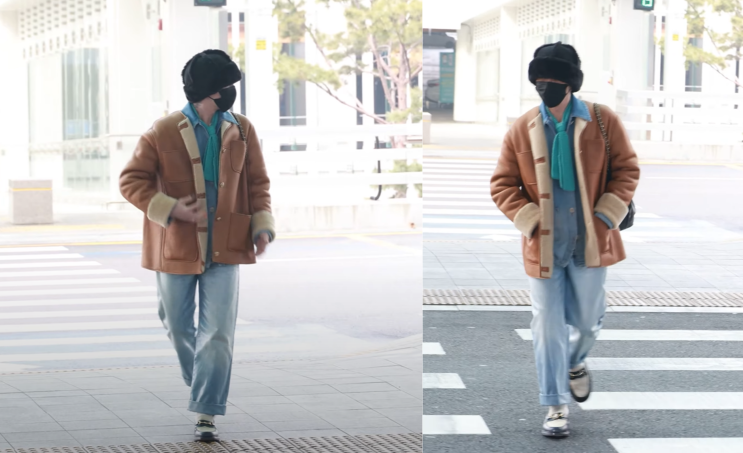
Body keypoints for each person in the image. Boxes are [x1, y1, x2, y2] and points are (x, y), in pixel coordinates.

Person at [119, 49, 275, 442]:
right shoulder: (163, 131)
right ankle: (204, 383)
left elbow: (258, 183)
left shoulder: (242, 129)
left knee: (218, 333)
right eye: (226, 86)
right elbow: (131, 180)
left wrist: (262, 226)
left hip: (227, 244)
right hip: (175, 245)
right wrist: (170, 208)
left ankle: (206, 411)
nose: (232, 92)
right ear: (209, 91)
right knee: (176, 326)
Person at [490, 42, 639, 438]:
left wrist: (606, 215)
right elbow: (501, 184)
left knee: (587, 322)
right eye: (539, 79)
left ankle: (575, 361)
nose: (545, 86)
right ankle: (555, 405)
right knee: (547, 326)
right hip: (544, 247)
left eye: (552, 79)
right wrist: (530, 219)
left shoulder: (601, 120)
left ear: (570, 83)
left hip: (589, 243)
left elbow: (627, 169)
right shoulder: (522, 128)